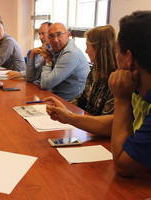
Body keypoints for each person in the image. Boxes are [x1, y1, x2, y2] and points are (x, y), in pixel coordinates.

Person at [46, 11, 151, 176]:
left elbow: (123, 165)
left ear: (128, 57)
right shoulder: (139, 89)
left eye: (118, 51)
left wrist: (122, 99)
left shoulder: (125, 88)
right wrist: (67, 116)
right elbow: (116, 123)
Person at [70, 25, 117, 115]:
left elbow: (105, 118)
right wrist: (64, 108)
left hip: (97, 126)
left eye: (88, 47)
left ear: (99, 49)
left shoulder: (115, 80)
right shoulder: (94, 71)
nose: (86, 51)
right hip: (87, 123)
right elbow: (82, 100)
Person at [41, 23, 90, 101]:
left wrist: (47, 61)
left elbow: (45, 84)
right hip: (55, 98)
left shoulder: (71, 54)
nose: (55, 40)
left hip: (71, 104)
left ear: (68, 34)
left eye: (59, 34)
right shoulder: (55, 50)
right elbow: (32, 77)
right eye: (51, 36)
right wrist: (32, 55)